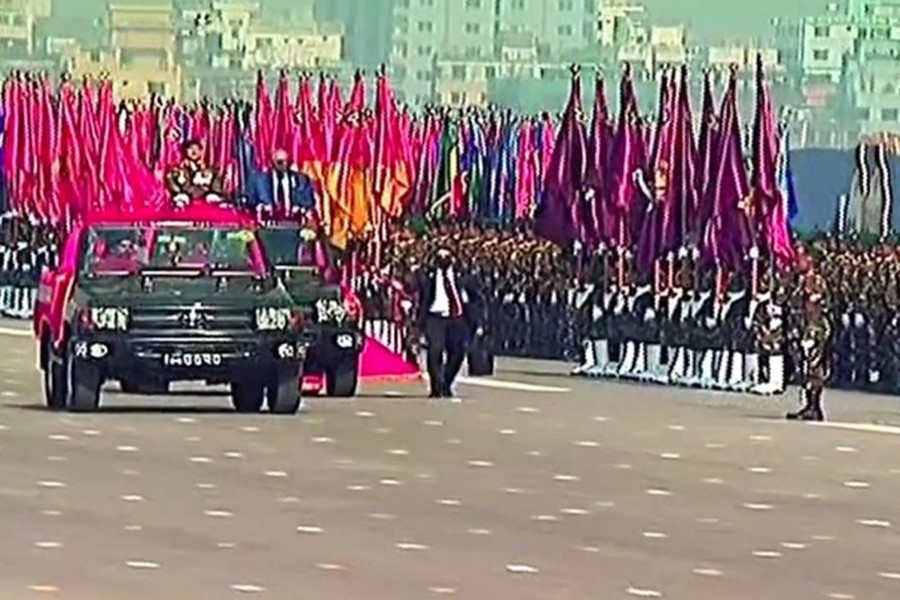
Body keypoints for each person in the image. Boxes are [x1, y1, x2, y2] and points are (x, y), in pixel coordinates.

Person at [416, 246, 485, 400]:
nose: (443, 260)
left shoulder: (462, 276)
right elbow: (420, 297)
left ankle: (446, 383)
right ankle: (436, 386)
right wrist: (419, 322)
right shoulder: (428, 276)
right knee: (435, 349)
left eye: (446, 256)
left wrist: (476, 319)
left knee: (457, 352)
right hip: (435, 317)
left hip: (457, 318)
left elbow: (476, 298)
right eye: (440, 256)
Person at [249, 149, 316, 220]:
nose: (285, 165)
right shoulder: (259, 180)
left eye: (287, 162)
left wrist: (300, 209)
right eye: (280, 162)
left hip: (294, 221)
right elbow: (251, 202)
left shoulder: (301, 179)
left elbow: (309, 202)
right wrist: (261, 208)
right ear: (273, 162)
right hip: (268, 221)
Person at [165, 139, 224, 206]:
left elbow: (217, 184)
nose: (194, 151)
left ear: (201, 151)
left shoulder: (210, 169)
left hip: (206, 199)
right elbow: (170, 180)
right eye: (190, 149)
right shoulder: (178, 169)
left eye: (197, 149)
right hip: (184, 197)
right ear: (185, 151)